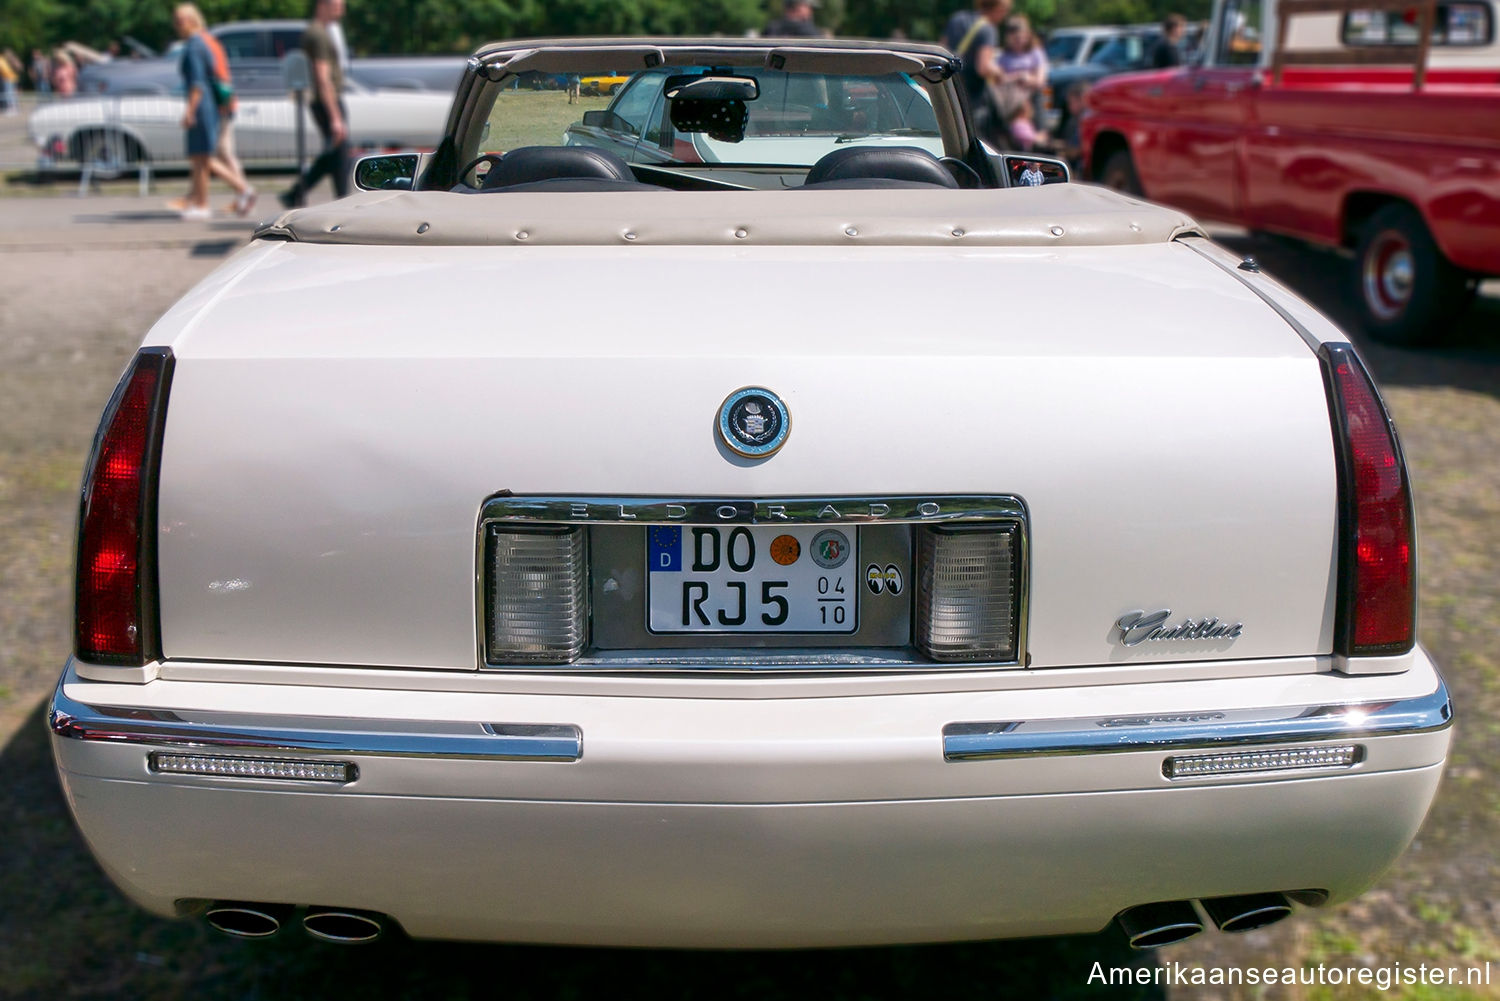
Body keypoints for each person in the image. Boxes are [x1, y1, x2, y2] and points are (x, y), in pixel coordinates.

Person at [280, 0, 350, 208]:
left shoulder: (322, 32)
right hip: (326, 100)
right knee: (339, 152)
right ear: (323, 5)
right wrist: (335, 117)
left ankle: (296, 193)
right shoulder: (318, 34)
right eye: (336, 4)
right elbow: (322, 77)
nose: (341, 9)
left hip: (325, 100)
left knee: (335, 154)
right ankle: (341, 201)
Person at [193, 9, 257, 215]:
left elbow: (218, 76)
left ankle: (244, 193)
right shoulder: (212, 44)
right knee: (223, 152)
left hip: (220, 106)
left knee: (220, 153)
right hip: (224, 104)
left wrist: (223, 102)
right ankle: (242, 195)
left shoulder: (205, 45)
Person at [942, 0, 1012, 145]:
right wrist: (1000, 73)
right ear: (999, 8)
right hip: (972, 96)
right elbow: (983, 67)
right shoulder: (988, 29)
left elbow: (942, 50)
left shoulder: (957, 19)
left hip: (950, 88)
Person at [172, 3, 218, 219]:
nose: (176, 25)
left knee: (201, 158)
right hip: (204, 103)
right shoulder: (199, 43)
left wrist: (190, 111)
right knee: (200, 158)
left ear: (190, 20)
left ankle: (202, 204)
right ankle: (199, 201)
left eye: (179, 20)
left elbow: (197, 84)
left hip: (200, 105)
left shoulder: (194, 46)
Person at [0, 50, 21, 116]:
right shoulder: (3, 59)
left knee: (10, 94)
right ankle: (13, 108)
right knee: (10, 93)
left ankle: (13, 108)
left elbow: (18, 67)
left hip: (9, 78)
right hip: (9, 78)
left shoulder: (4, 59)